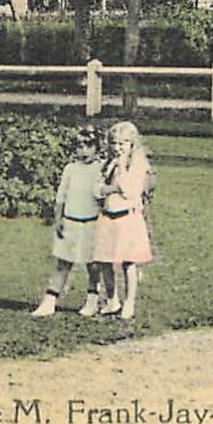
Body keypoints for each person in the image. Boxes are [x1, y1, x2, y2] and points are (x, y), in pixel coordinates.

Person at [32, 125, 103, 317]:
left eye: (89, 145)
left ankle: (92, 299)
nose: (84, 150)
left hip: (92, 223)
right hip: (70, 221)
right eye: (80, 146)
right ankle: (49, 301)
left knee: (93, 265)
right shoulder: (70, 169)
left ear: (97, 147)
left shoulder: (102, 168)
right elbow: (61, 197)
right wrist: (58, 219)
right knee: (63, 263)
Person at [91, 121, 156, 320]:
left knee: (129, 262)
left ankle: (129, 302)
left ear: (132, 144)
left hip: (128, 217)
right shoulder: (107, 164)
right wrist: (110, 187)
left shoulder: (137, 165)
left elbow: (128, 189)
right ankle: (112, 299)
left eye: (122, 144)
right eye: (114, 144)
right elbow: (97, 190)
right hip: (108, 216)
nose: (117, 148)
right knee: (104, 260)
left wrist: (117, 175)